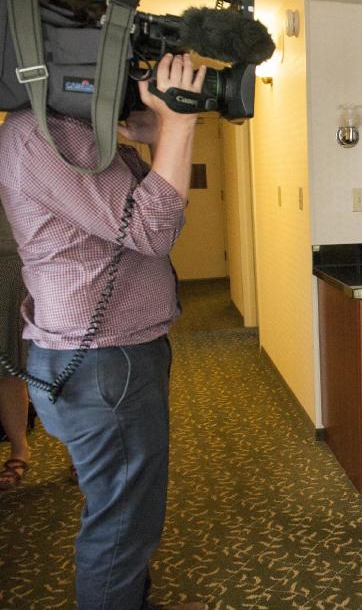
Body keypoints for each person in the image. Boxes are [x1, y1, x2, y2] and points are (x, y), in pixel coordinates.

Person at [0, 53, 208, 610]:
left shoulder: (68, 132)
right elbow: (152, 227)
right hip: (104, 361)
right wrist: (181, 121)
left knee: (124, 510)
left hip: (110, 353)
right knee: (121, 525)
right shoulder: (46, 134)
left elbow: (145, 205)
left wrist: (143, 131)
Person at [0, 206, 30, 491]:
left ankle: (79, 452)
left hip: (29, 254)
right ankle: (19, 450)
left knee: (55, 364)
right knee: (6, 366)